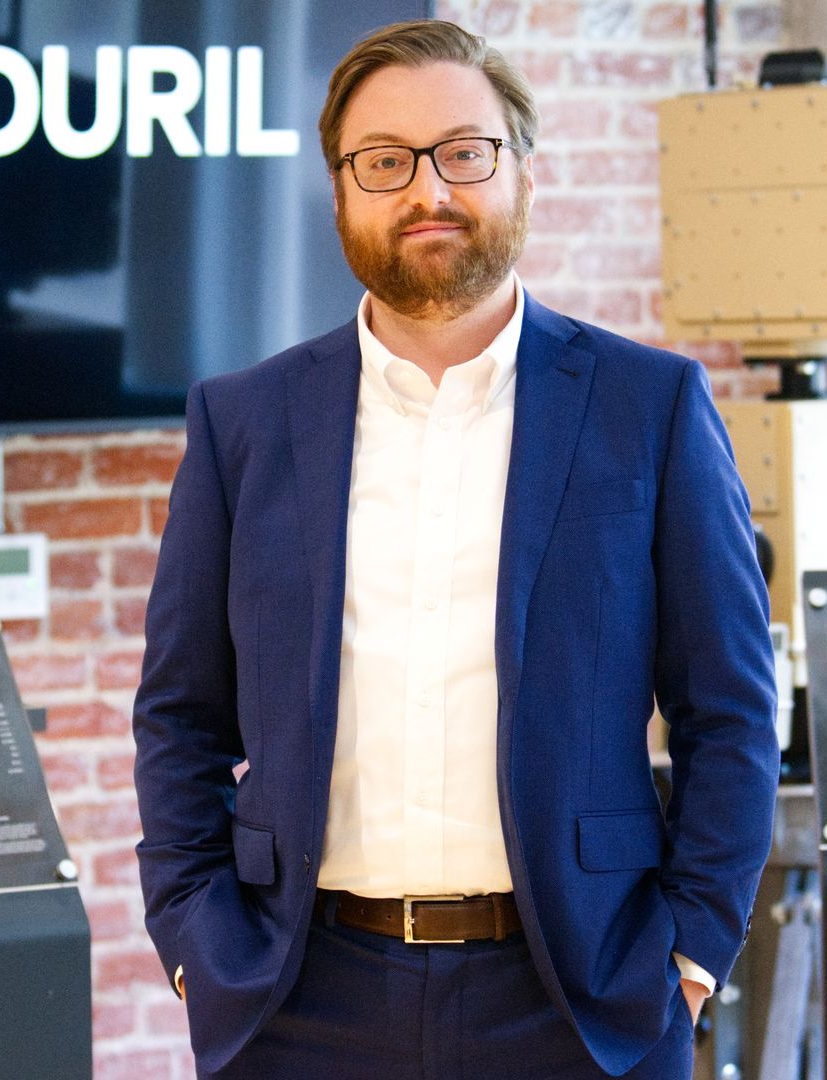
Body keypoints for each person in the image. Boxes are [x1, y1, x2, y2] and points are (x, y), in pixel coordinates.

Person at [131, 19, 778, 1079]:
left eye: (464, 153)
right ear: (340, 192)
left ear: (522, 174)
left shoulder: (646, 407)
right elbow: (180, 715)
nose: (428, 189)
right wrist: (198, 944)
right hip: (299, 1002)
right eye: (385, 161)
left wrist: (693, 949)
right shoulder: (242, 423)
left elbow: (732, 706)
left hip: (580, 1000)